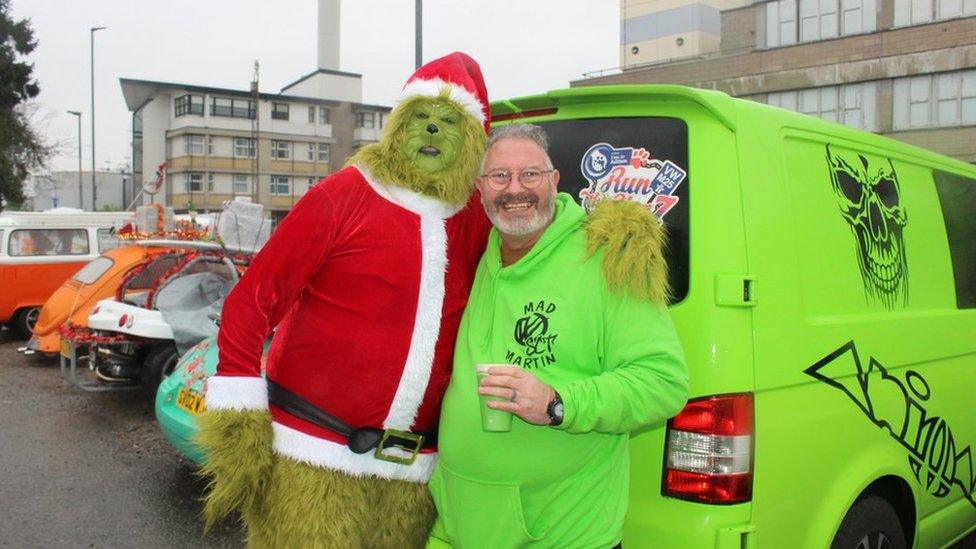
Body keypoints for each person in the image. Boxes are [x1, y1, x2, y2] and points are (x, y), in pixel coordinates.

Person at [428, 124, 690, 548]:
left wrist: (557, 404)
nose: (515, 189)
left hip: (561, 535)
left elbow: (662, 381)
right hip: (459, 531)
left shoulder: (607, 257)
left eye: (529, 174)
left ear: (553, 181)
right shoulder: (476, 255)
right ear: (480, 189)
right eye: (500, 177)